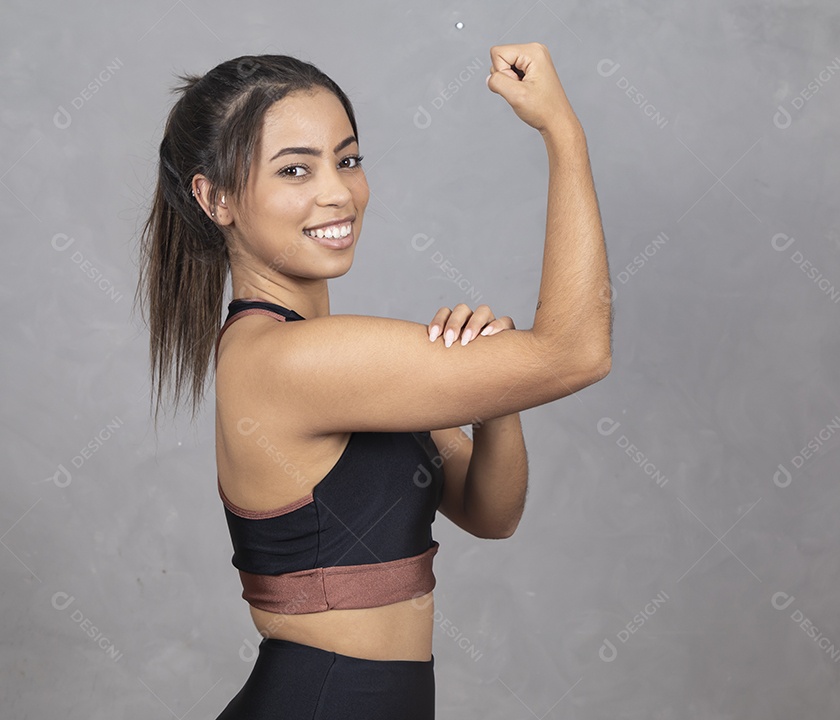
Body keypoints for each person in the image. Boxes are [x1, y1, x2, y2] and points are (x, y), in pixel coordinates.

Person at [136, 43, 611, 719]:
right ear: (215, 199)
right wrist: (563, 132)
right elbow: (578, 352)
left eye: (348, 159)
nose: (338, 191)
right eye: (295, 169)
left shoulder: (338, 360)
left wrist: (493, 390)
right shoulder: (290, 360)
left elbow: (491, 513)